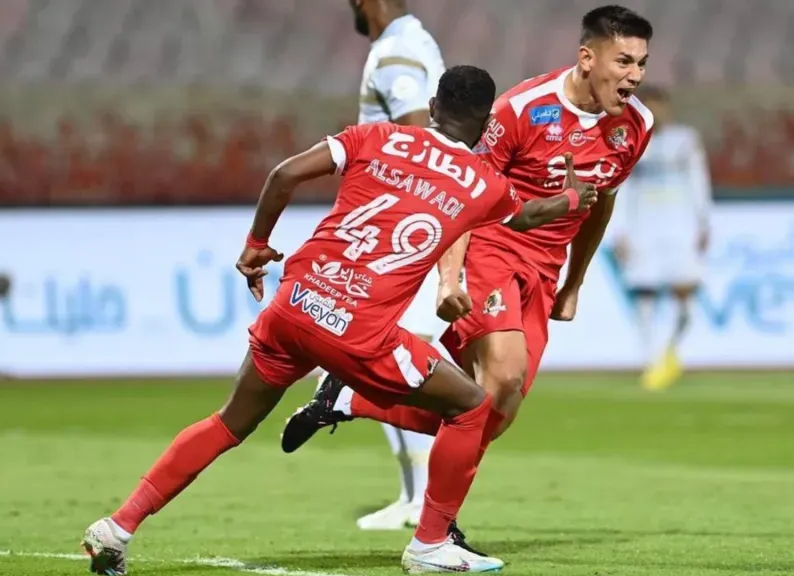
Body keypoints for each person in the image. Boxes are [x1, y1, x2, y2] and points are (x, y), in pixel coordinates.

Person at [79, 65, 598, 576]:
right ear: (487, 126)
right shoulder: (484, 183)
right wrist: (574, 199)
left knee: (228, 422)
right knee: (471, 406)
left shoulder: (373, 136)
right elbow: (527, 215)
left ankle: (118, 527)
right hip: (357, 329)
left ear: (434, 106)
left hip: (295, 303)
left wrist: (257, 246)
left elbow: (283, 174)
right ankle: (431, 544)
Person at [280, 4, 655, 549]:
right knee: (500, 377)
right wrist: (448, 278)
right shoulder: (521, 109)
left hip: (544, 271)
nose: (634, 76)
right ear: (587, 56)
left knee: (494, 415)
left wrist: (574, 282)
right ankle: (435, 537)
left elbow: (600, 206)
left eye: (642, 64)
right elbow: (464, 189)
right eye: (624, 61)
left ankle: (351, 403)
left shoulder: (636, 126)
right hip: (492, 247)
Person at [337, 0, 449, 532]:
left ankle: (422, 499)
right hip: (406, 228)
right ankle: (413, 496)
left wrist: (393, 225)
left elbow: (416, 137)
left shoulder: (397, 51)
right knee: (380, 362)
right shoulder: (414, 41)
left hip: (396, 233)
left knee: (379, 361)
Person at [610, 86, 713, 390]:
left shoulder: (686, 140)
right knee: (645, 294)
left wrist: (704, 222)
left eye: (660, 107)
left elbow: (699, 180)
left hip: (680, 226)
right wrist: (619, 231)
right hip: (643, 229)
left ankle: (671, 352)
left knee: (684, 294)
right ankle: (649, 360)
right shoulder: (627, 140)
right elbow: (620, 188)